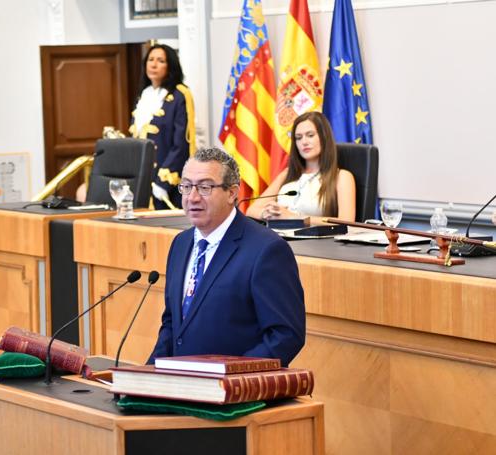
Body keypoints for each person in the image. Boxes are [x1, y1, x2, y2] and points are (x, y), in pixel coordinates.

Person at [148, 148, 305, 365]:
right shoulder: (181, 244)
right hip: (182, 387)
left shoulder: (267, 250)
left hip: (235, 392)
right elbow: (172, 323)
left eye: (204, 187)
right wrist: (147, 374)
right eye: (186, 186)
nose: (192, 197)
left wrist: (230, 376)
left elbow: (285, 335)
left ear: (232, 193)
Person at [246, 111, 356, 223]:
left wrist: (292, 217)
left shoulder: (342, 176)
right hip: (278, 236)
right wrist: (268, 214)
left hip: (317, 239)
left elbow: (347, 221)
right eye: (298, 138)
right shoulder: (287, 173)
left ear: (324, 137)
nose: (304, 142)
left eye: (310, 135)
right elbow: (251, 210)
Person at [130, 44, 196, 210]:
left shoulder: (180, 94)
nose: (153, 64)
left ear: (170, 65)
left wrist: (164, 183)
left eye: (160, 61)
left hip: (167, 181)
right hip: (142, 179)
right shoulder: (144, 94)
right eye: (151, 60)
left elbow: (181, 144)